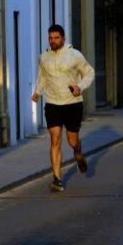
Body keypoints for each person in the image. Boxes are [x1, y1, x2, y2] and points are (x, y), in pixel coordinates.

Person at [31, 24, 95, 192]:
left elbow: (89, 73)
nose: (53, 41)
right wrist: (37, 92)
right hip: (52, 103)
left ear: (63, 38)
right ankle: (57, 180)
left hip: (72, 103)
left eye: (56, 38)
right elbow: (43, 77)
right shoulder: (44, 57)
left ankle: (78, 154)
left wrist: (80, 86)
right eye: (50, 38)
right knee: (55, 138)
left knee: (72, 141)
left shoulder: (75, 55)